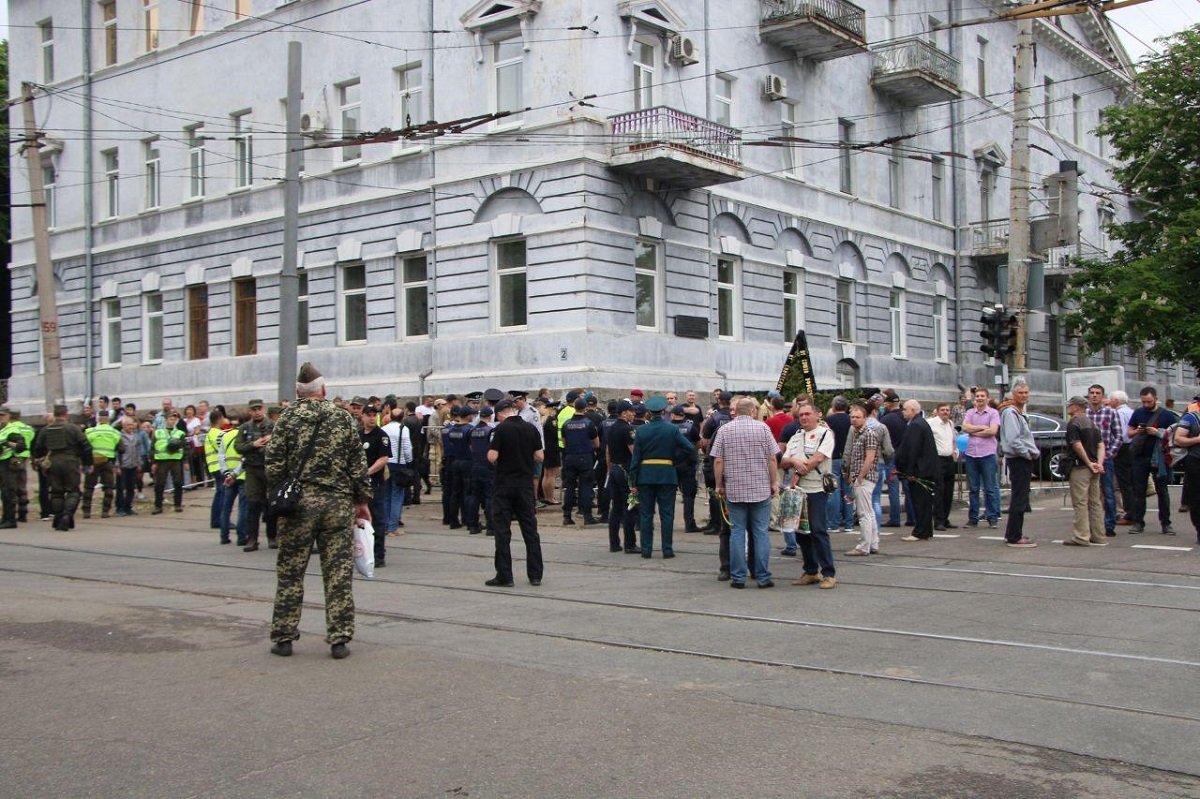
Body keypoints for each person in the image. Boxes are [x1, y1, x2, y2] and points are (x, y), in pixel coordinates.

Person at [267, 362, 371, 660]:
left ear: (298, 392)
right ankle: (339, 638)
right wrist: (361, 502)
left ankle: (284, 637)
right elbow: (357, 465)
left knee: (290, 572)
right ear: (323, 390)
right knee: (338, 572)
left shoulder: (286, 418)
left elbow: (274, 463)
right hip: (336, 506)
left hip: (298, 506)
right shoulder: (343, 418)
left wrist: (279, 497)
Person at [711, 397, 779, 588]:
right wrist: (773, 482)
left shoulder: (725, 430)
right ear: (752, 412)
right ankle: (763, 576)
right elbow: (772, 459)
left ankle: (738, 577)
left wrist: (719, 484)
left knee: (737, 532)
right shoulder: (763, 428)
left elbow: (718, 460)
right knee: (760, 533)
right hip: (760, 488)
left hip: (735, 489)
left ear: (737, 411)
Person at [628, 395, 696, 559]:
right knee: (667, 514)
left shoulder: (641, 431)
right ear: (664, 410)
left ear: (649, 413)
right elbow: (690, 448)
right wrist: (674, 459)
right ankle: (667, 549)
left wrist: (633, 480)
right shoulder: (672, 429)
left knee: (646, 514)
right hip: (667, 474)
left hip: (645, 475)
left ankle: (646, 549)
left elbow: (635, 458)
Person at [486, 399, 545, 587]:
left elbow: (492, 456)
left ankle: (505, 575)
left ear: (501, 413)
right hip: (525, 485)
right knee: (530, 531)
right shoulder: (530, 428)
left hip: (504, 485)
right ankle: (535, 574)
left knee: (502, 531)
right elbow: (540, 456)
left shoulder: (501, 430)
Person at [783, 403, 837, 589]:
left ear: (817, 415)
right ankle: (811, 571)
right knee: (801, 532)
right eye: (800, 415)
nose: (804, 418)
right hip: (798, 491)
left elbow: (819, 458)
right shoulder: (795, 437)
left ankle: (828, 573)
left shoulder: (825, 434)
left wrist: (798, 471)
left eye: (807, 414)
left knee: (818, 530)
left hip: (816, 490)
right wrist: (792, 460)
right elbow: (783, 461)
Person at [32, 404, 92, 531]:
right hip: (70, 462)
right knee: (73, 491)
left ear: (54, 414)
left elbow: (37, 448)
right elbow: (85, 446)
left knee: (56, 492)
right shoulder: (73, 428)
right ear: (66, 414)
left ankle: (58, 517)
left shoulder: (45, 430)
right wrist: (88, 462)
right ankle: (67, 515)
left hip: (53, 462)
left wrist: (39, 460)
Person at [1126, 386, 1177, 535]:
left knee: (1162, 491)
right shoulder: (1138, 413)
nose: (1146, 405)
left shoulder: (1167, 415)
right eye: (1143, 402)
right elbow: (1129, 433)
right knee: (1138, 491)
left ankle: (1166, 524)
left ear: (1155, 398)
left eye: (1149, 401)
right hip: (1140, 457)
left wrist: (1158, 432)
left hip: (1159, 458)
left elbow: (1174, 436)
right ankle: (1138, 522)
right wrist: (1137, 431)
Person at [1063, 396, 1108, 547]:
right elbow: (1101, 445)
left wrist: (1088, 462)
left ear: (1076, 407)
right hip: (1095, 467)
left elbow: (1076, 444)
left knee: (1080, 502)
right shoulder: (1092, 423)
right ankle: (1099, 535)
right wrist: (1099, 463)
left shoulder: (1073, 423)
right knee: (1095, 502)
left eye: (1070, 404)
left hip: (1080, 467)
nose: (1068, 407)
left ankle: (1081, 536)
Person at [999, 381, 1039, 548]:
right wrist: (1027, 454)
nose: (1024, 395)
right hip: (1019, 460)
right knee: (1019, 499)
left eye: (1026, 392)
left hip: (1021, 459)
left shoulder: (1017, 412)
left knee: (1020, 497)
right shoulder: (1011, 413)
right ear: (1013, 395)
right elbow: (1014, 439)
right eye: (1021, 393)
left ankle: (1013, 533)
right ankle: (1015, 536)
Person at [235, 399, 276, 551]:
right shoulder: (245, 427)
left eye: (259, 408)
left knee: (271, 504)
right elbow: (238, 447)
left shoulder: (273, 426)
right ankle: (252, 539)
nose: (257, 411)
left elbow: (283, 444)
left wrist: (272, 440)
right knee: (253, 504)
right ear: (250, 411)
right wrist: (253, 444)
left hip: (269, 468)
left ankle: (272, 536)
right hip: (252, 469)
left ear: (263, 409)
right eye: (254, 409)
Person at [896, 400, 939, 542]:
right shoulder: (921, 423)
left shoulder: (915, 425)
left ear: (913, 410)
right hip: (925, 469)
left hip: (920, 470)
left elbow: (912, 450)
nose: (903, 412)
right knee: (924, 502)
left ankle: (920, 531)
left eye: (905, 409)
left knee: (920, 502)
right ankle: (926, 530)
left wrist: (909, 472)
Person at [842, 401, 881, 556]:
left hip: (865, 478)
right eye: (852, 417)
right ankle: (873, 543)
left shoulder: (869, 434)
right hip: (861, 477)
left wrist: (859, 477)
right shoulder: (858, 434)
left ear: (865, 418)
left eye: (858, 417)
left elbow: (869, 458)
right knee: (868, 511)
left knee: (863, 513)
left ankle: (864, 546)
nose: (854, 420)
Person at [961, 387, 1002, 528]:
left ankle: (992, 517)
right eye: (977, 396)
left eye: (982, 396)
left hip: (987, 454)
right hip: (972, 454)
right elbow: (965, 428)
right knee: (973, 489)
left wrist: (975, 430)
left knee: (989, 488)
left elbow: (993, 431)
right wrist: (982, 428)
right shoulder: (970, 412)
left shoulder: (993, 413)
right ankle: (973, 519)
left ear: (987, 398)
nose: (979, 398)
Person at [1085, 384, 1121, 537]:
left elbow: (1118, 436)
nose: (1094, 395)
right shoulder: (1084, 414)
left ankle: (1109, 524)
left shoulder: (1110, 413)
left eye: (1097, 393)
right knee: (1088, 493)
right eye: (1092, 393)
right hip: (1087, 459)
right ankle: (1090, 524)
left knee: (1108, 492)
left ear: (1102, 395)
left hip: (1105, 459)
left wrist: (1109, 454)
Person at [359, 406, 392, 567]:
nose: (372, 418)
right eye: (369, 415)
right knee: (360, 519)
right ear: (362, 416)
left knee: (377, 519)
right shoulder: (358, 435)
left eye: (374, 416)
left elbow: (383, 459)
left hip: (374, 484)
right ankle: (363, 552)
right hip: (359, 485)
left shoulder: (381, 436)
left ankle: (379, 555)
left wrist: (368, 472)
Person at [560, 397, 600, 526]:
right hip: (585, 457)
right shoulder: (588, 423)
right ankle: (587, 516)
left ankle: (567, 516)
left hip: (570, 457)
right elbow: (597, 443)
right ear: (585, 408)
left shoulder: (566, 424)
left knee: (570, 487)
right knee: (586, 487)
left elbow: (564, 442)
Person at [605, 400, 639, 553]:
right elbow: (634, 452)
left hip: (614, 469)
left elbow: (608, 451)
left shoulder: (612, 428)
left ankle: (614, 543)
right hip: (625, 471)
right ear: (624, 413)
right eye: (631, 412)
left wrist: (609, 469)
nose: (633, 414)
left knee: (616, 508)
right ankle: (630, 544)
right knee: (630, 507)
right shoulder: (628, 429)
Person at [823, 396, 856, 534]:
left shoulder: (828, 421)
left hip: (834, 456)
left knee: (834, 491)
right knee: (848, 490)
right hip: (849, 458)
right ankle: (849, 523)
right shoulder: (851, 420)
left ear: (834, 406)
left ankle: (833, 523)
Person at [670, 404, 703, 533]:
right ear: (683, 415)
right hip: (687, 465)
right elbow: (698, 444)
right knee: (689, 496)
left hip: (670, 465)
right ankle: (690, 524)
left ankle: (668, 522)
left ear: (673, 414)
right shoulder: (691, 427)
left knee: (669, 496)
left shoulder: (667, 427)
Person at [82, 412, 121, 519]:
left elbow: (84, 447)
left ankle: (86, 512)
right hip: (107, 462)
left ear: (98, 419)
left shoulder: (90, 431)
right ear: (108, 419)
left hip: (93, 462)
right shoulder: (115, 432)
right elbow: (122, 449)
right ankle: (105, 511)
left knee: (89, 487)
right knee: (108, 487)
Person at [464, 406, 496, 536]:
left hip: (475, 465)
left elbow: (471, 447)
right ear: (489, 417)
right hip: (488, 466)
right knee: (489, 497)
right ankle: (491, 527)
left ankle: (472, 525)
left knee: (474, 496)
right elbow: (493, 448)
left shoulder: (471, 430)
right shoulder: (490, 430)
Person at [1172, 402, 1200, 545]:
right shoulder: (1191, 418)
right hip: (1195, 463)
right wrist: (1197, 439)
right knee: (1196, 499)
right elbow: (1178, 439)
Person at [929, 401, 958, 530]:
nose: (945, 412)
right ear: (937, 411)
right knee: (939, 491)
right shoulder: (931, 423)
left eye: (947, 410)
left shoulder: (950, 424)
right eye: (943, 410)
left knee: (949, 491)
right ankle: (938, 520)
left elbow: (952, 440)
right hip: (938, 460)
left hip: (949, 459)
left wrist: (954, 452)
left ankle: (945, 518)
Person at [152, 411, 188, 514]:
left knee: (178, 482)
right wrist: (153, 463)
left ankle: (178, 505)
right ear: (166, 420)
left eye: (174, 419)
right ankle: (158, 506)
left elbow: (185, 447)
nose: (172, 421)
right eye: (170, 419)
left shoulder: (180, 433)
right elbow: (153, 447)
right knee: (160, 483)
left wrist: (185, 461)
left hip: (176, 459)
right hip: (162, 460)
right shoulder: (158, 432)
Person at [0, 408, 28, 528]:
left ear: (8, 416)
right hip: (1, 463)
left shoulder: (12, 430)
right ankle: (5, 518)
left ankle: (10, 520)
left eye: (2, 415)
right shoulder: (1, 429)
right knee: (4, 492)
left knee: (8, 492)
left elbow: (22, 446)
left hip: (9, 464)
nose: (0, 417)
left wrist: (7, 443)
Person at [115, 417, 142, 517]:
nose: (131, 427)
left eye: (132, 425)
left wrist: (139, 463)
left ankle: (128, 507)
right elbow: (116, 453)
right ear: (123, 426)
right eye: (128, 425)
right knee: (121, 488)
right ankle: (119, 508)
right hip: (123, 466)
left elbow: (138, 451)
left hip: (133, 465)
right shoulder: (119, 437)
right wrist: (117, 466)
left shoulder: (136, 436)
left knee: (131, 487)